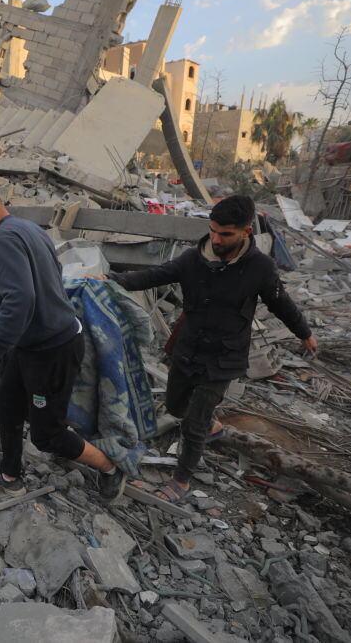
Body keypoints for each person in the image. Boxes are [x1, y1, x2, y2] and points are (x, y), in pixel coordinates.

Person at [109, 195, 317, 503]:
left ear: (246, 231)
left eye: (226, 234)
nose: (216, 239)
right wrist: (112, 279)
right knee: (177, 406)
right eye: (213, 231)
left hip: (224, 356)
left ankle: (181, 480)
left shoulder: (260, 268)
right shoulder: (193, 258)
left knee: (193, 424)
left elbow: (280, 303)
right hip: (188, 347)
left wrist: (304, 333)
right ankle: (212, 424)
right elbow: (155, 275)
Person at [0, 175, 127, 503]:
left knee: (47, 435)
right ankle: (10, 475)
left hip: (52, 351)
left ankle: (110, 467)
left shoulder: (3, 241)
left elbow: (21, 299)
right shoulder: (29, 228)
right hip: (29, 344)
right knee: (7, 403)